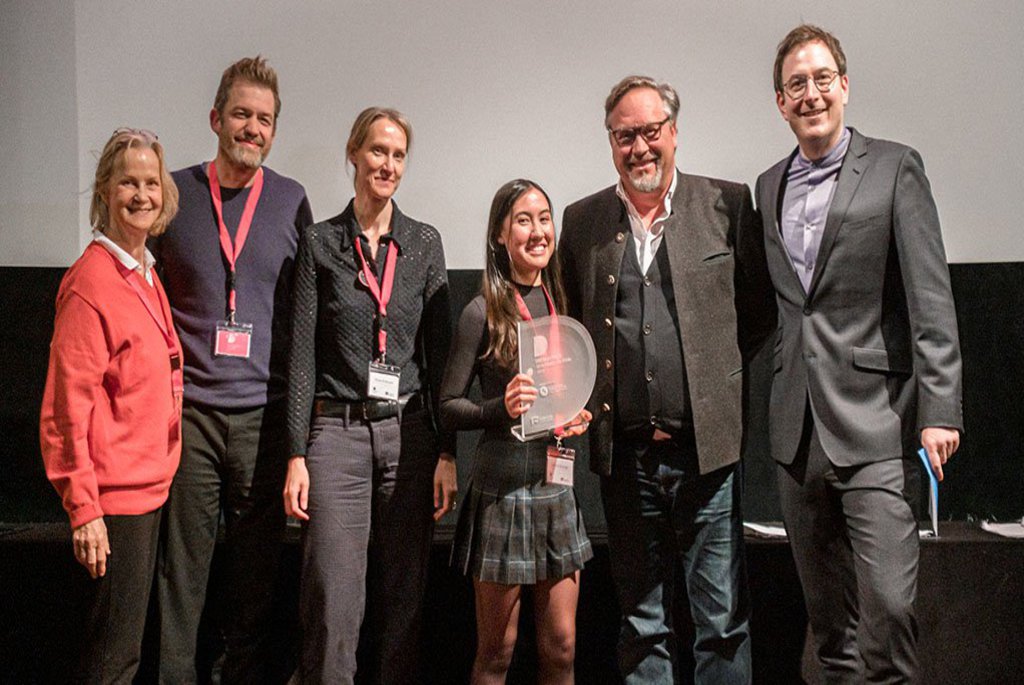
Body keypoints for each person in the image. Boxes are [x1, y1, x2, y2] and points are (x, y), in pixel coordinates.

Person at [756, 25, 963, 682]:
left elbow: (931, 298)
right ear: (781, 103)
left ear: (844, 86)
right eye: (796, 84)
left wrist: (941, 409)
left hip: (876, 424)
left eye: (822, 78)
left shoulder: (896, 167)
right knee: (830, 629)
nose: (811, 93)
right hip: (796, 434)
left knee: (892, 609)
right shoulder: (766, 187)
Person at [559, 76, 775, 683]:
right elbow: (571, 326)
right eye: (625, 136)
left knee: (722, 625)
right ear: (611, 144)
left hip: (707, 461)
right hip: (625, 464)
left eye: (651, 132)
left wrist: (712, 382)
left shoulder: (726, 206)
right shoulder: (583, 222)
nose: (640, 148)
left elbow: (756, 316)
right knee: (641, 624)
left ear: (674, 133)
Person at [151, 56, 313, 683]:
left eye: (264, 119)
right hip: (190, 417)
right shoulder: (174, 193)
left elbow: (303, 316)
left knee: (254, 581)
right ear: (216, 118)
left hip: (264, 421)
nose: (252, 127)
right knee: (181, 578)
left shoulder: (292, 200)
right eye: (242, 114)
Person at [283, 106, 456, 684]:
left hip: (408, 435)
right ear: (354, 155)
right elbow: (303, 354)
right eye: (377, 151)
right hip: (336, 435)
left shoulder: (424, 244)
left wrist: (448, 453)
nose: (387, 164)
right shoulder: (321, 242)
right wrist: (296, 454)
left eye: (398, 154)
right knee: (333, 602)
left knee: (403, 602)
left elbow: (442, 360)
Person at [40, 128, 182, 684]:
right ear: (105, 188)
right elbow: (63, 410)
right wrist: (84, 509)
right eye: (128, 182)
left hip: (148, 494)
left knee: (124, 655)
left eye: (151, 182)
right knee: (110, 663)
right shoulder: (92, 282)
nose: (142, 194)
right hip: (115, 505)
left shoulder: (145, 273)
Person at [441, 179, 593, 684]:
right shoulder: (481, 310)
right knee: (496, 653)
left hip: (556, 485)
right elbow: (447, 407)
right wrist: (497, 408)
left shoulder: (563, 300)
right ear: (501, 235)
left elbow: (565, 387)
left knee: (562, 648)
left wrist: (573, 413)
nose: (538, 231)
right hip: (502, 485)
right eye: (524, 220)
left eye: (544, 218)